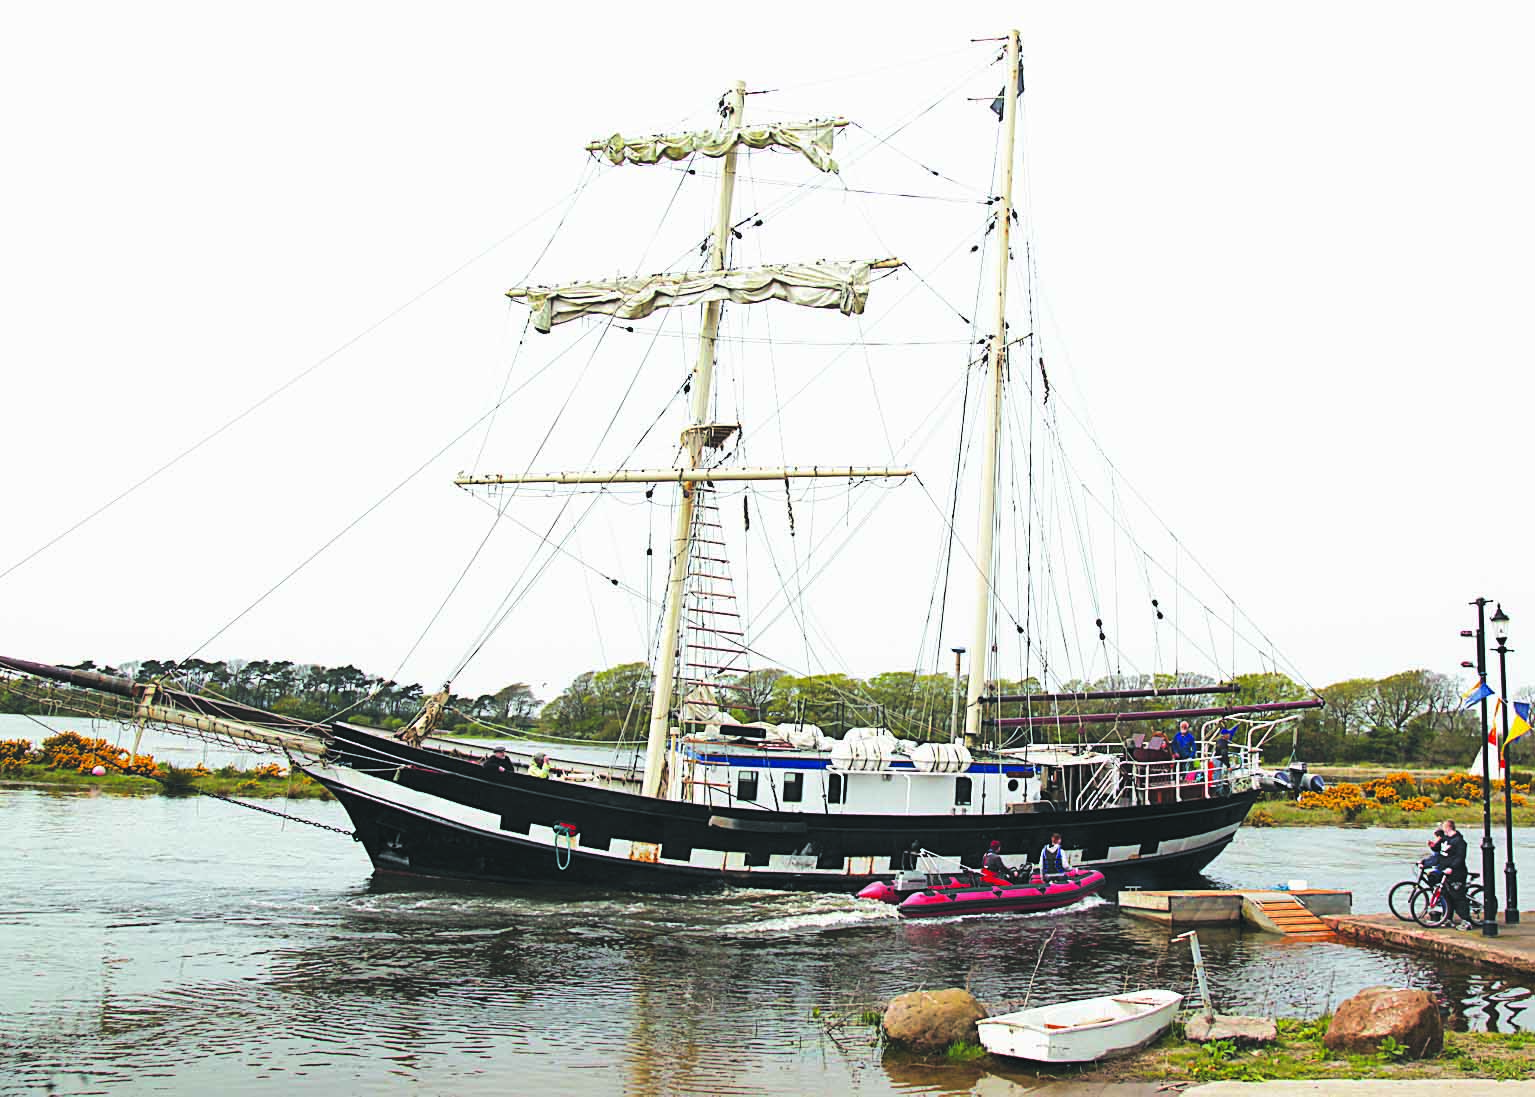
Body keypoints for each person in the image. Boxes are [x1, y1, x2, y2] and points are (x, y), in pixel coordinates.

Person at [1440, 819, 1475, 930]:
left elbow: (1460, 857)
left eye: (1443, 827)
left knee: (1458, 896)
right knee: (1446, 895)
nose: (1442, 829)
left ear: (1448, 827)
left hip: (1457, 873)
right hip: (1445, 873)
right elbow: (1440, 853)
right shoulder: (1446, 840)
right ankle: (1447, 918)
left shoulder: (1459, 841)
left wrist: (1452, 867)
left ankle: (1467, 921)